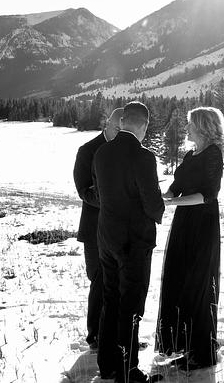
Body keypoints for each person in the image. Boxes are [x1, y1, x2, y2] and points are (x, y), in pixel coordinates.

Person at [155, 106, 224, 371]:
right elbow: (175, 188)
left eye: (190, 124)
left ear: (203, 126)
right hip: (184, 222)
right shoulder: (190, 154)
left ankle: (202, 352)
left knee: (199, 284)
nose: (186, 128)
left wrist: (172, 203)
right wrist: (159, 197)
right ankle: (185, 345)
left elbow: (208, 195)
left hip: (202, 223)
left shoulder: (213, 154)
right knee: (180, 280)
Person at [93, 101, 164, 383]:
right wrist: (160, 209)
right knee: (131, 305)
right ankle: (128, 370)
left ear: (123, 122)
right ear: (144, 125)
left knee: (111, 299)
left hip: (106, 237)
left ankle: (107, 364)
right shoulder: (143, 157)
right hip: (134, 241)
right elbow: (152, 204)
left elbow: (101, 194)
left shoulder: (101, 153)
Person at [73, 107, 123, 350]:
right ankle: (96, 337)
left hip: (123, 228)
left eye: (124, 129)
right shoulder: (87, 151)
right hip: (95, 228)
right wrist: (113, 198)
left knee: (122, 283)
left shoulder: (129, 150)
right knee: (99, 281)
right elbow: (84, 191)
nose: (120, 133)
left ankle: (120, 336)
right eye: (116, 128)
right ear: (106, 124)